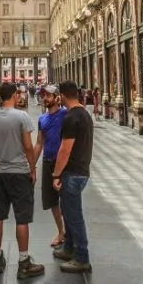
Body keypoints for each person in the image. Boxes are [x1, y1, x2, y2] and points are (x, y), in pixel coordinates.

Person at [0, 82, 44, 278]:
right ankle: (23, 262)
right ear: (15, 95)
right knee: (22, 218)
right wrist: (32, 168)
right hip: (19, 172)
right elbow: (28, 146)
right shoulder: (21, 116)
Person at [52, 81, 94, 273]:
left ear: (61, 96)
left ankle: (82, 257)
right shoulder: (84, 114)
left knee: (74, 215)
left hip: (73, 172)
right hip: (82, 170)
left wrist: (56, 174)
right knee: (68, 211)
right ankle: (69, 248)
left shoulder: (71, 117)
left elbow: (65, 150)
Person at [34, 84, 68, 248]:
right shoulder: (42, 119)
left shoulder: (65, 114)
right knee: (52, 201)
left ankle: (71, 234)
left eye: (48, 95)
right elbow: (39, 144)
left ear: (57, 97)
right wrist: (31, 166)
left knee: (67, 200)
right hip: (48, 163)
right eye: (44, 95)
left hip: (63, 164)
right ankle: (61, 232)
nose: (45, 98)